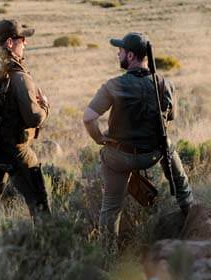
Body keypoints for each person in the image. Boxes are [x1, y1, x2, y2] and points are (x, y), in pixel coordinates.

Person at [83, 32, 193, 237]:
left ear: (131, 56)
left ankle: (108, 254)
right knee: (169, 147)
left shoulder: (113, 85)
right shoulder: (164, 84)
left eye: (121, 51)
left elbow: (88, 118)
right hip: (152, 154)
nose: (118, 55)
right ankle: (188, 205)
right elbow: (170, 118)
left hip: (120, 157)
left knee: (111, 207)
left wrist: (99, 138)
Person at [0, 18, 50, 225]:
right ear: (10, 43)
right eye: (22, 39)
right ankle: (50, 245)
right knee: (38, 198)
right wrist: (45, 106)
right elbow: (34, 117)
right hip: (14, 147)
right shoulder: (18, 76)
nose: (25, 43)